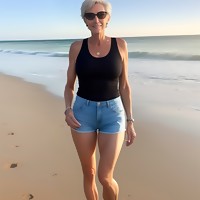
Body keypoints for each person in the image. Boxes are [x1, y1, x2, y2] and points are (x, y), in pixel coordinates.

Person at [64, 0, 136, 199]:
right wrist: (68, 109)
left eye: (101, 14)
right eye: (90, 15)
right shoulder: (76, 48)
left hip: (113, 113)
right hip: (82, 113)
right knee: (90, 173)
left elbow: (124, 85)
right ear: (85, 21)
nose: (96, 19)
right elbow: (69, 86)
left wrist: (130, 120)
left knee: (105, 176)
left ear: (108, 18)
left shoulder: (120, 45)